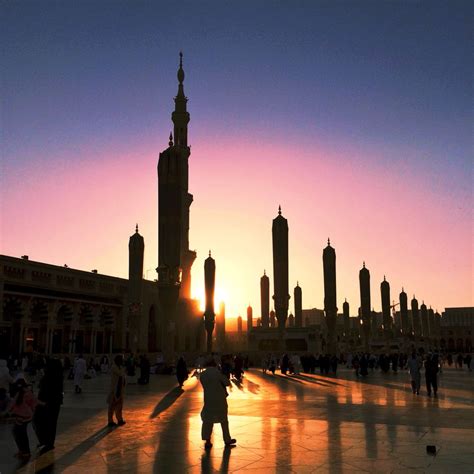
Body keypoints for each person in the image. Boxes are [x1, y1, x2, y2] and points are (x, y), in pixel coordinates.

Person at [199, 358, 236, 449]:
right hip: (220, 400)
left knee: (208, 420)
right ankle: (227, 439)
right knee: (224, 421)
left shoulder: (202, 375)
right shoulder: (217, 373)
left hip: (208, 399)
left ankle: (207, 440)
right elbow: (227, 383)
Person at [33, 358, 63, 453]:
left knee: (40, 422)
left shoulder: (49, 377)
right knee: (51, 423)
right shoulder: (58, 376)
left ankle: (45, 441)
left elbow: (44, 389)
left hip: (45, 404)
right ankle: (48, 442)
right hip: (54, 404)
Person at [9, 378, 37, 458]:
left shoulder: (25, 393)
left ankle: (25, 451)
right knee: (18, 432)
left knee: (20, 433)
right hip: (24, 416)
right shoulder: (23, 392)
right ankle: (23, 450)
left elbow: (13, 404)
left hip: (24, 417)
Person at [107, 355, 126, 427]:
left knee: (119, 406)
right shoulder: (114, 367)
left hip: (120, 389)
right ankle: (110, 421)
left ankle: (120, 419)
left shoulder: (120, 367)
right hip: (114, 389)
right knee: (112, 406)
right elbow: (121, 374)